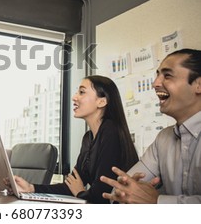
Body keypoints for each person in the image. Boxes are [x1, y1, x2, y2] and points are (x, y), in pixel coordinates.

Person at [8, 75, 138, 204]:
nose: (74, 97)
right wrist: (31, 188)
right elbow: (70, 186)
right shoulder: (88, 138)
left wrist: (81, 193)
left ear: (102, 102)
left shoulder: (110, 131)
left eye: (82, 92)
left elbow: (101, 196)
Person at [101, 48, 201, 204]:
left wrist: (157, 202)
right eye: (157, 75)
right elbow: (121, 191)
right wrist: (129, 193)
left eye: (167, 75)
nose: (155, 83)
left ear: (198, 85)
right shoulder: (164, 139)